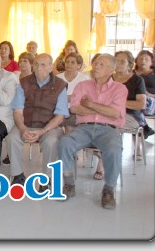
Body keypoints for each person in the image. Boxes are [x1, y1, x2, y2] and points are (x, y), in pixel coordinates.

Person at [58, 54, 127, 209]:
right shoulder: (83, 85)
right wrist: (103, 109)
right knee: (65, 142)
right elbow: (75, 108)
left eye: (102, 65)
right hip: (84, 127)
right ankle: (69, 184)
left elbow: (115, 113)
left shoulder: (120, 88)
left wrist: (90, 104)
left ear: (112, 70)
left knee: (114, 149)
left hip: (108, 130)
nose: (96, 66)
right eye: (96, 63)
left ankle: (108, 190)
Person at [5, 53, 69, 189]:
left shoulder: (60, 85)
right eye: (36, 64)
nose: (39, 68)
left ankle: (47, 179)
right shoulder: (24, 83)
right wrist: (22, 128)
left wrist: (43, 131)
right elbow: (17, 111)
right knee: (12, 138)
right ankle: (18, 175)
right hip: (27, 124)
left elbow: (60, 116)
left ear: (51, 67)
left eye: (43, 65)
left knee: (51, 142)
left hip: (49, 127)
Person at [56, 52, 90, 134]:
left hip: (76, 111)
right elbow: (52, 96)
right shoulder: (57, 78)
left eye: (72, 62)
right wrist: (69, 98)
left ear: (78, 65)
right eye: (67, 62)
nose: (69, 64)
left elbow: (86, 98)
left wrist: (67, 98)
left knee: (69, 128)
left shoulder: (85, 79)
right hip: (58, 110)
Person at [134, 50, 155, 116]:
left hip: (152, 99)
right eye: (140, 59)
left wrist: (150, 95)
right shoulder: (130, 74)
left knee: (147, 102)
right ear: (136, 61)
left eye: (146, 59)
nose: (143, 61)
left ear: (151, 62)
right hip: (134, 98)